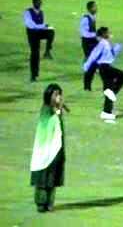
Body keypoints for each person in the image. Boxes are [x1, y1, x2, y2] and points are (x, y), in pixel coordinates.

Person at [30, 83, 68, 213]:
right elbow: (46, 124)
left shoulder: (56, 110)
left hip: (57, 149)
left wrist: (58, 111)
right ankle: (41, 203)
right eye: (56, 95)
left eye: (59, 94)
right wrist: (57, 112)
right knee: (43, 178)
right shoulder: (46, 109)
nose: (58, 97)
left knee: (53, 177)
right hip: (45, 150)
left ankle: (50, 203)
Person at [83, 27, 123, 122]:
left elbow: (110, 56)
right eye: (107, 32)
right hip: (104, 67)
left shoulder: (106, 43)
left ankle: (106, 112)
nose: (109, 33)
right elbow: (94, 55)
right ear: (103, 34)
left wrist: (116, 49)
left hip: (106, 66)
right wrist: (87, 65)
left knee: (109, 88)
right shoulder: (103, 43)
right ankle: (111, 93)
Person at [23, 0, 55, 82]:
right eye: (38, 2)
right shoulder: (28, 12)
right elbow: (31, 25)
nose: (40, 3)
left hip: (39, 32)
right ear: (33, 3)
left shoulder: (41, 12)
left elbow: (41, 25)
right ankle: (33, 75)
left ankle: (47, 51)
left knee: (51, 32)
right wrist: (43, 26)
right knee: (35, 54)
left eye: (41, 2)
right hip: (32, 35)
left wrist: (47, 27)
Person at [80, 1, 98, 91]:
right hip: (87, 43)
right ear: (89, 8)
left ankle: (88, 86)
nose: (96, 8)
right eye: (94, 7)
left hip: (93, 42)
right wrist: (95, 35)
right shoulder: (85, 19)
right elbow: (84, 33)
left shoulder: (93, 17)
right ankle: (87, 86)